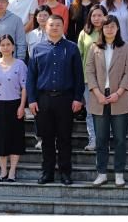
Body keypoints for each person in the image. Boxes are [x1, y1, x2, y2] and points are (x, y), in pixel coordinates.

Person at [27, 14, 86, 185]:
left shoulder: (72, 48)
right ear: (46, 27)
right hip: (43, 99)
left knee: (64, 138)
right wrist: (32, 99)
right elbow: (31, 77)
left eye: (58, 25)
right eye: (51, 25)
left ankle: (65, 173)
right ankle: (47, 173)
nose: (54, 28)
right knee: (46, 139)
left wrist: (78, 98)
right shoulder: (37, 49)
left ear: (63, 27)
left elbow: (79, 76)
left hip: (65, 99)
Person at [85, 16, 128, 187]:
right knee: (101, 139)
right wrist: (97, 93)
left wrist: (119, 92)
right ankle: (102, 173)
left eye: (112, 26)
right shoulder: (94, 47)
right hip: (99, 98)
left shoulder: (125, 47)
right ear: (102, 29)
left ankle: (119, 173)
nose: (109, 29)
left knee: (120, 139)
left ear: (117, 28)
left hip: (119, 98)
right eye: (106, 26)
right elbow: (89, 71)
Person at [0, 35, 27, 182]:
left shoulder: (20, 64)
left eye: (8, 44)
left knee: (15, 138)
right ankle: (3, 171)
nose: (6, 47)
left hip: (15, 104)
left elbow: (24, 87)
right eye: (2, 45)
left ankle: (12, 171)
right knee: (0, 138)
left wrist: (22, 106)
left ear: (13, 47)